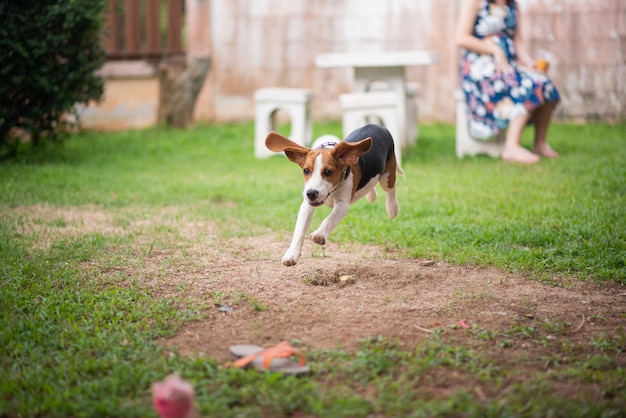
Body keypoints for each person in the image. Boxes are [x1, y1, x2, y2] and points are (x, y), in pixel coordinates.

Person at [456, 0, 561, 164]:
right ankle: (511, 148)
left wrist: (528, 62)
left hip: (507, 68)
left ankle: (539, 144)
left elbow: (517, 40)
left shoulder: (513, 5)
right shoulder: (475, 2)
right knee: (526, 87)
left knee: (545, 85)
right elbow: (461, 38)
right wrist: (494, 49)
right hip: (480, 70)